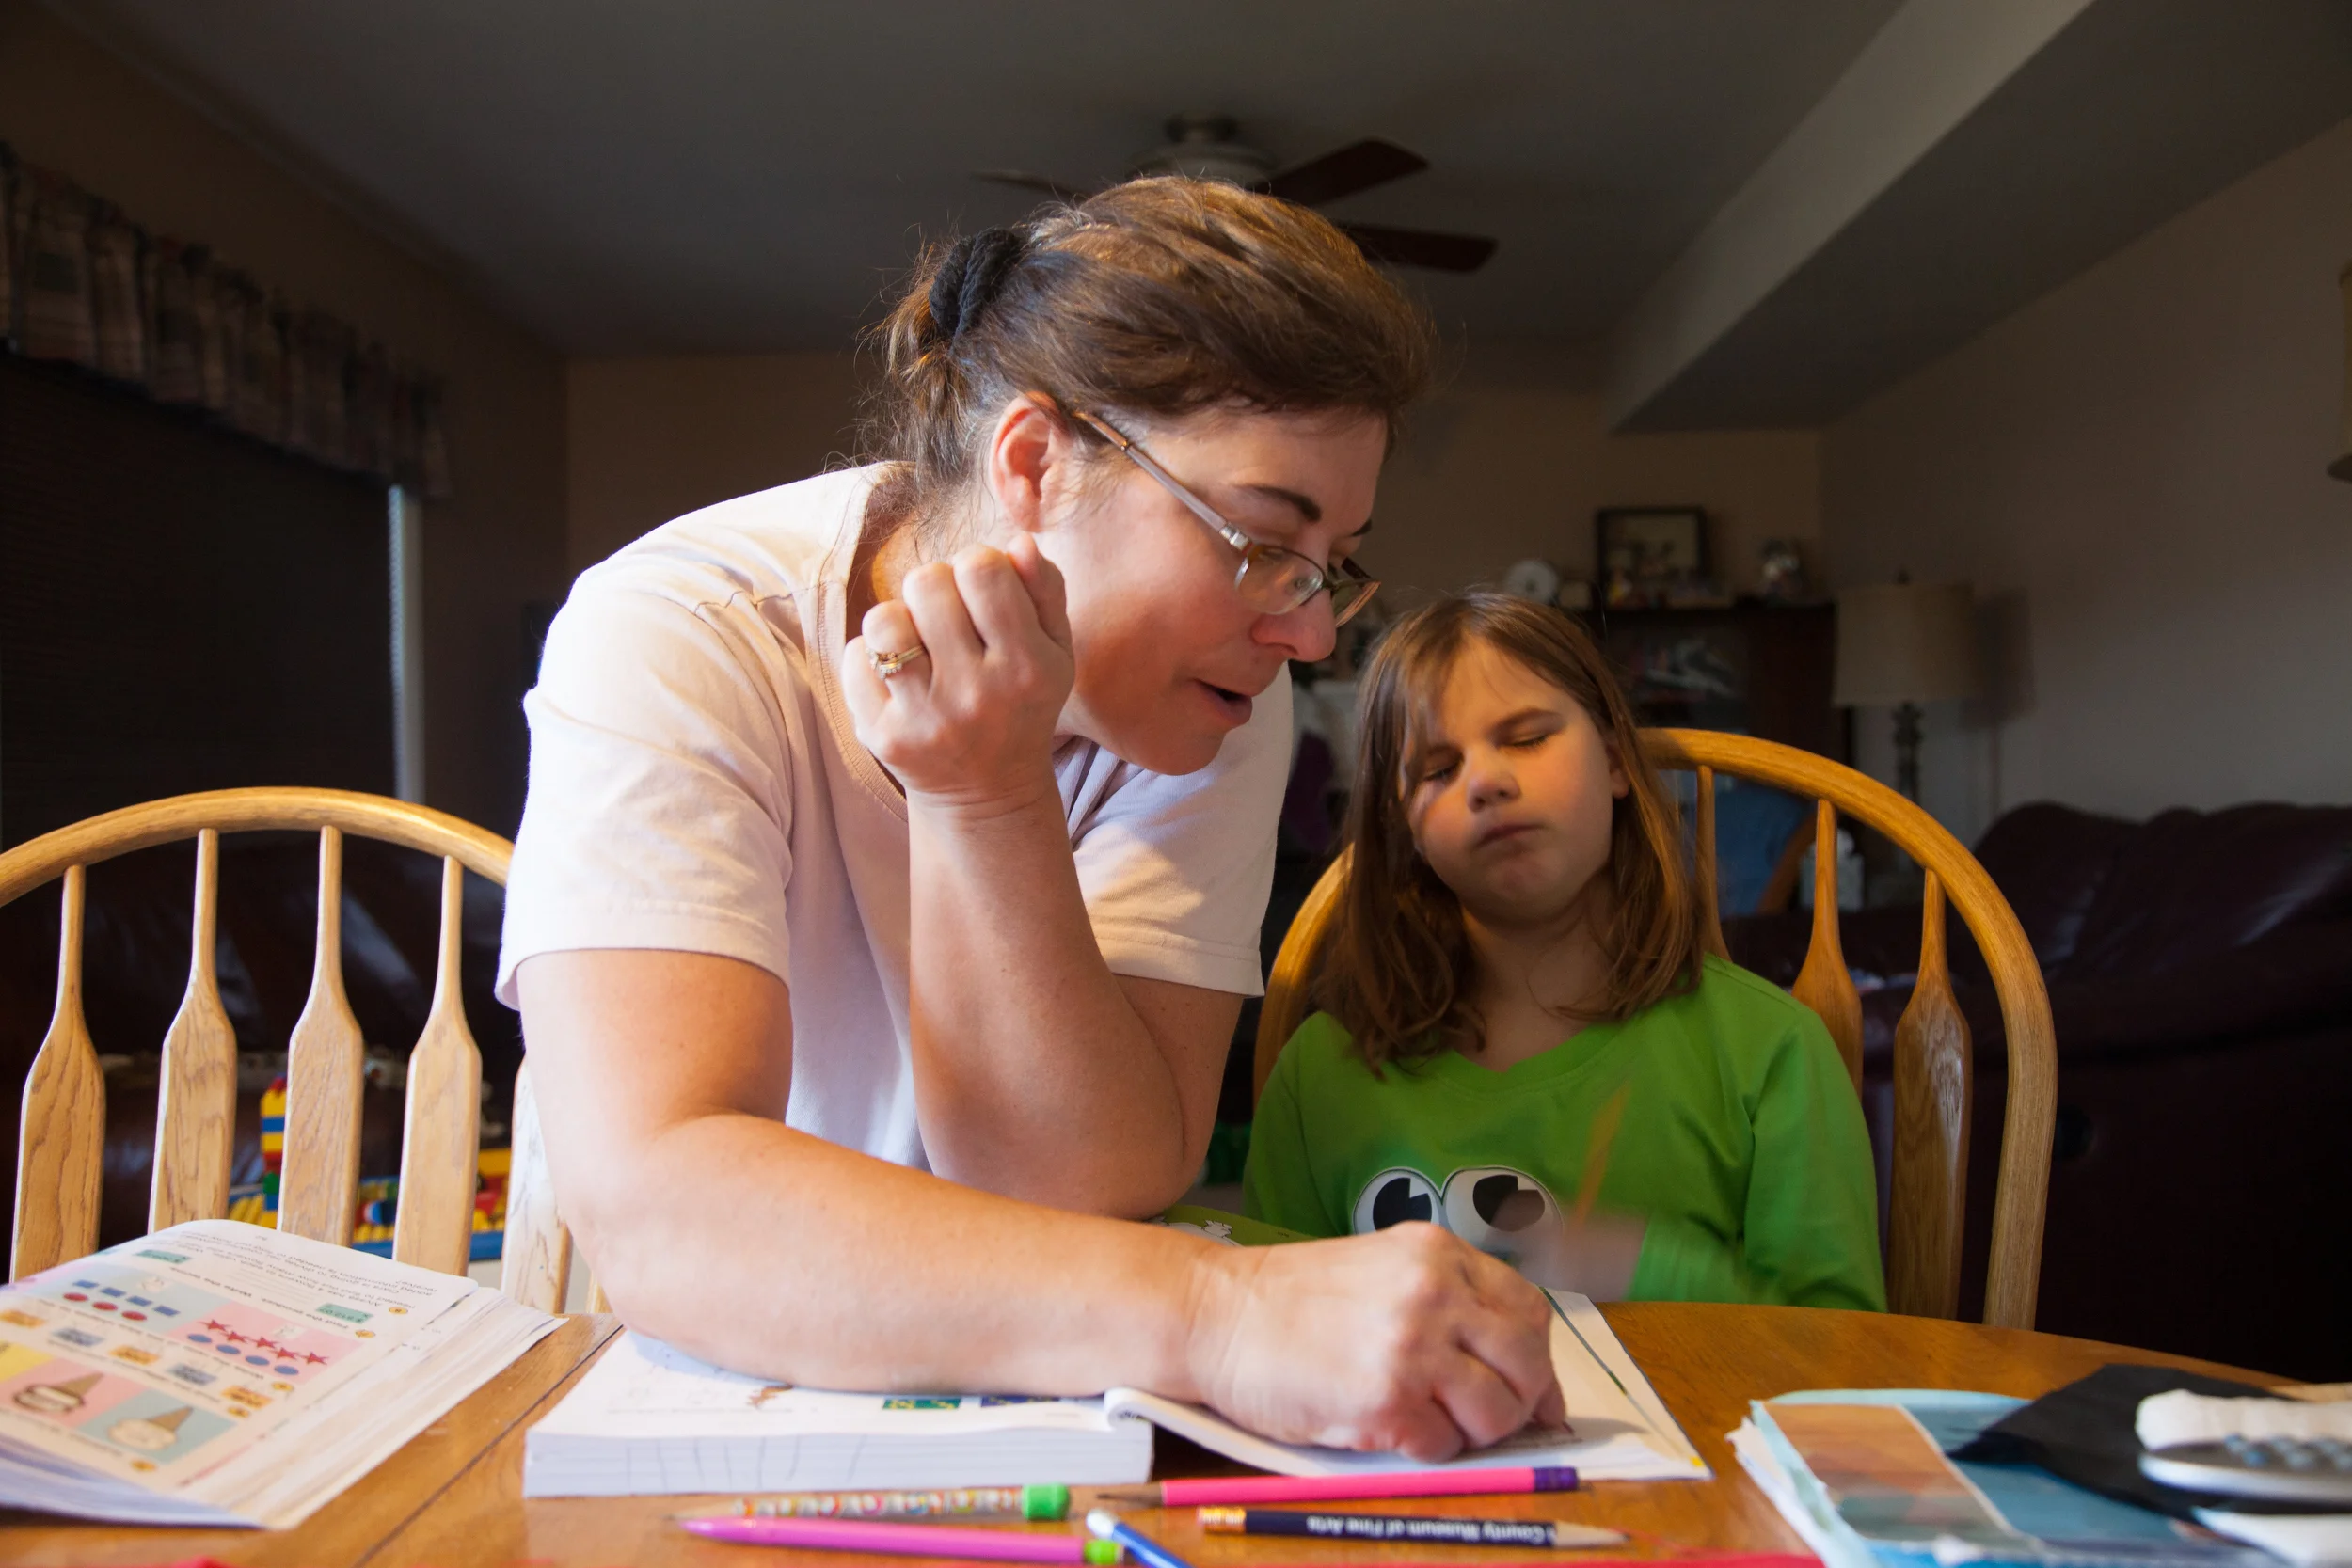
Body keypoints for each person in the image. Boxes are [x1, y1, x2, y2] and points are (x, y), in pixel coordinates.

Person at [501, 180, 1565, 1461]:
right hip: (692, 1406)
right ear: (1034, 461)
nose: (1310, 628)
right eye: (1260, 536)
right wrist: (1222, 1312)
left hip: (1033, 1392)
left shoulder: (1225, 688)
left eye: (1330, 559)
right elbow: (667, 1214)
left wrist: (987, 798)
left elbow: (1085, 1183)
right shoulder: (676, 633)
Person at [1245, 593, 1885, 1310]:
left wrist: (1648, 1271)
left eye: (1524, 736)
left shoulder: (1772, 1052)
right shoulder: (1320, 1075)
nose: (1486, 780)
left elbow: (1843, 1357)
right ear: (1405, 831)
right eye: (1437, 768)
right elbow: (1268, 1331)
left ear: (1615, 763)